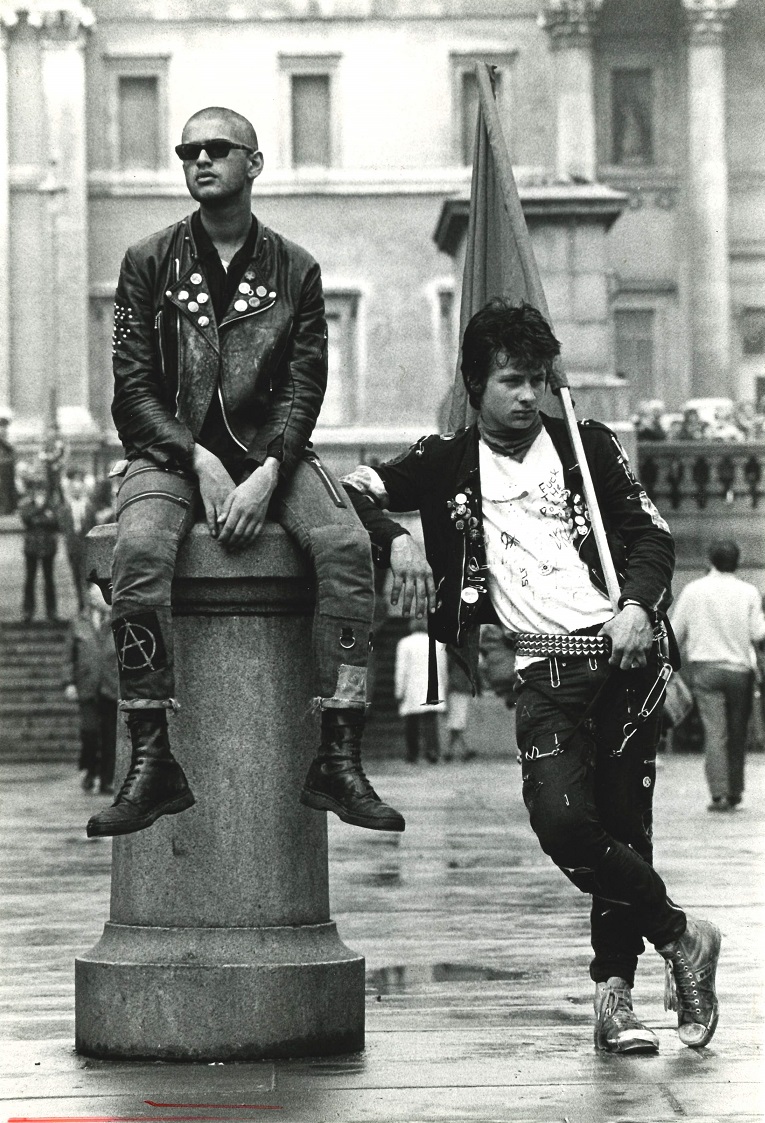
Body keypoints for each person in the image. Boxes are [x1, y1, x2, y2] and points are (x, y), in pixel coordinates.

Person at [342, 299, 722, 1054]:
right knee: (562, 822)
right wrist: (397, 544)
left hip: (619, 658)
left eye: (537, 380)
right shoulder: (443, 462)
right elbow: (347, 491)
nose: (526, 395)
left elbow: (649, 534)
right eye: (511, 380)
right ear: (474, 382)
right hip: (539, 672)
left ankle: (614, 998)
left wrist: (639, 607)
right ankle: (683, 935)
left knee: (622, 827)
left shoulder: (587, 447)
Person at [85, 106, 402, 840]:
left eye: (217, 149)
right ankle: (153, 757)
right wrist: (196, 457)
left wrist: (266, 471)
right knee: (137, 551)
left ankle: (339, 755)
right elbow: (131, 390)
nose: (200, 160)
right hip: (170, 453)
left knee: (347, 547)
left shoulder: (297, 269)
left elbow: (304, 386)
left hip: (274, 455)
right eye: (188, 150)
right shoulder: (147, 261)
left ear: (252, 165)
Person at [670, 540, 765, 811]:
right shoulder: (748, 592)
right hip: (740, 672)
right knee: (737, 734)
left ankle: (719, 794)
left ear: (709, 560)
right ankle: (735, 791)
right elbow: (758, 633)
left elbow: (676, 635)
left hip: (705, 670)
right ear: (737, 562)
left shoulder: (693, 591)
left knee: (715, 733)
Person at [65, 583, 119, 794]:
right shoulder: (79, 622)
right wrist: (69, 682)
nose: (98, 600)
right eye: (94, 596)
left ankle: (107, 779)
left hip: (111, 686)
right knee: (89, 732)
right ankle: (89, 769)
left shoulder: (117, 621)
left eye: (101, 596)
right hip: (87, 686)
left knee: (109, 735)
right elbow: (68, 657)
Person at [394, 617, 446, 763]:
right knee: (430, 721)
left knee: (411, 722)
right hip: (432, 686)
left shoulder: (404, 644)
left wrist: (399, 690)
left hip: (412, 687)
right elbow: (442, 668)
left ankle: (413, 753)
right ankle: (432, 751)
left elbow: (401, 669)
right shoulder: (437, 643)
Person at [19, 474, 60, 623]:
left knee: (49, 580)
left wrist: (41, 517)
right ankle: (28, 611)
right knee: (30, 579)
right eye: (38, 491)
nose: (40, 494)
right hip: (31, 546)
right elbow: (26, 518)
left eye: (42, 491)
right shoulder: (27, 504)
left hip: (48, 546)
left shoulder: (52, 505)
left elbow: (56, 521)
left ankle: (52, 611)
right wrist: (41, 510)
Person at [59, 469, 95, 610]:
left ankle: (90, 603)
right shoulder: (65, 508)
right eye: (73, 489)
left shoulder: (89, 508)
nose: (76, 492)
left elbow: (93, 526)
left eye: (79, 489)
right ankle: (81, 603)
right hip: (72, 546)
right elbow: (63, 526)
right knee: (75, 576)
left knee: (89, 577)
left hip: (87, 547)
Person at [0, 411, 18, 515]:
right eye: (2, 427)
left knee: (9, 486)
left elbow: (13, 452)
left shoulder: (8, 439)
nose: (3, 429)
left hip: (8, 465)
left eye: (5, 427)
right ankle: (5, 508)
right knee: (3, 487)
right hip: (2, 465)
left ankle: (9, 508)